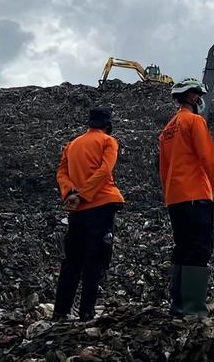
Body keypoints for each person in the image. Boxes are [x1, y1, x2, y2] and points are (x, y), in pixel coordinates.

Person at [159, 78, 214, 317]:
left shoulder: (167, 130)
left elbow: (163, 169)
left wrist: (169, 193)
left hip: (175, 197)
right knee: (198, 249)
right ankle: (193, 307)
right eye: (198, 96)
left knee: (181, 249)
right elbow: (208, 156)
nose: (200, 100)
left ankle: (177, 305)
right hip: (195, 195)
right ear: (191, 97)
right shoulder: (194, 121)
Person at [53, 107, 125, 321]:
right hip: (101, 206)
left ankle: (60, 311)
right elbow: (104, 171)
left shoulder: (72, 145)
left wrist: (71, 193)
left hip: (77, 211)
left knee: (72, 260)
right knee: (95, 260)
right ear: (107, 124)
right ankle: (86, 311)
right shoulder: (108, 141)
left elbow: (61, 173)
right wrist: (84, 194)